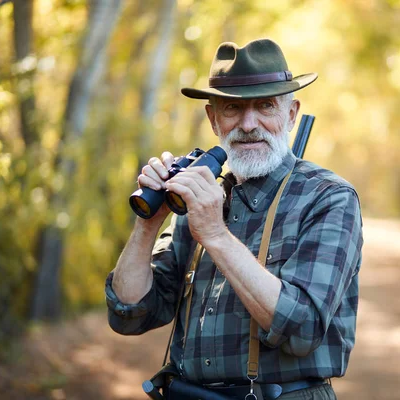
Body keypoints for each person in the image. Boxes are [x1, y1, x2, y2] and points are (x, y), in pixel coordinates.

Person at [105, 38, 363, 400]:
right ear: (213, 119)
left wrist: (215, 233)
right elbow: (130, 314)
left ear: (291, 114)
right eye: (232, 108)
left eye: (266, 106)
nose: (248, 123)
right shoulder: (204, 196)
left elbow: (302, 329)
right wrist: (148, 223)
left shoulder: (327, 198)